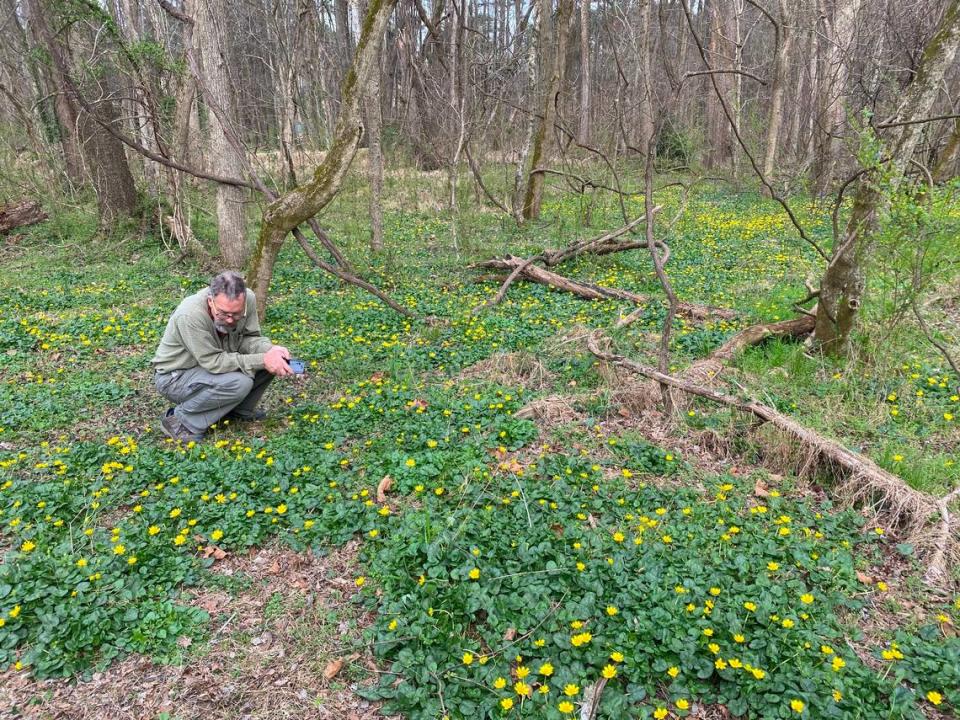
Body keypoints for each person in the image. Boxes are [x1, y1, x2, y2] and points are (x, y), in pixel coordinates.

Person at [151, 271, 294, 441]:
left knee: (270, 358)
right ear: (211, 301)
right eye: (224, 313)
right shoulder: (190, 315)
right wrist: (262, 359)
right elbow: (214, 362)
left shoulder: (248, 299)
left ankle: (236, 410)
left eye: (236, 314)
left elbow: (249, 338)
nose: (230, 320)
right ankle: (181, 422)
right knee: (240, 382)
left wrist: (270, 351)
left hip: (211, 365)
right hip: (175, 376)